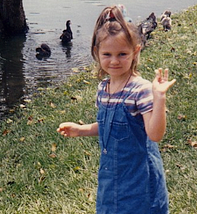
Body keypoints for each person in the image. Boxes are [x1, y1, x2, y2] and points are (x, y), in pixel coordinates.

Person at [57, 5, 176, 214]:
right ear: (97, 53)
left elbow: (155, 134)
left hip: (140, 182)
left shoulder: (141, 90)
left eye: (122, 54)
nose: (114, 61)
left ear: (135, 51)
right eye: (107, 54)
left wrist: (159, 98)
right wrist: (81, 130)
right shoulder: (104, 88)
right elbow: (108, 126)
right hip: (111, 180)